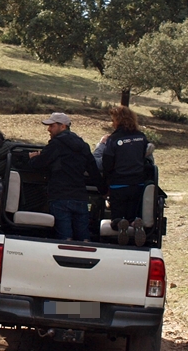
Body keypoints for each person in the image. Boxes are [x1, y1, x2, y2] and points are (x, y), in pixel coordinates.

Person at [27, 112, 103, 241]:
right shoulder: (83, 146)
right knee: (84, 238)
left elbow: (39, 164)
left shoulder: (56, 144)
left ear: (63, 126)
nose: (48, 129)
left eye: (52, 126)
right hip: (80, 197)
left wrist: (32, 158)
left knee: (64, 238)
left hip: (59, 196)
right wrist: (104, 189)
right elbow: (93, 170)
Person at [97, 105, 151, 246]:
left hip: (118, 184)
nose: (112, 123)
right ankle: (134, 223)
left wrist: (105, 186)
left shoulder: (114, 139)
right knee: (132, 213)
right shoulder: (141, 137)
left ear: (118, 120)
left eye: (113, 119)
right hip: (138, 184)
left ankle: (119, 223)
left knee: (116, 216)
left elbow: (107, 163)